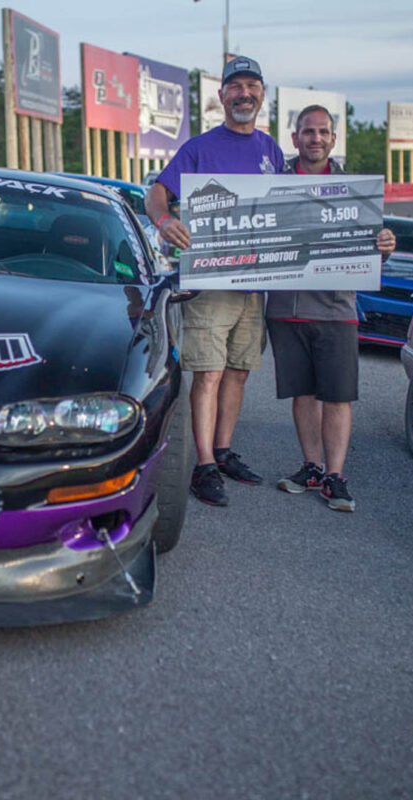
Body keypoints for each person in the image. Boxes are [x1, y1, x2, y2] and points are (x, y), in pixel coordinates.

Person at [145, 56, 284, 506]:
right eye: (236, 87)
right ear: (221, 96)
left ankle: (222, 450)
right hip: (210, 280)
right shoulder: (199, 148)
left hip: (253, 284)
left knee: (239, 371)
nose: (245, 94)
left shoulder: (271, 150)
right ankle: (202, 464)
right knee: (208, 374)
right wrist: (165, 220)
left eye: (252, 86)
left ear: (263, 94)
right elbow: (156, 194)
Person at [266, 105, 395, 512]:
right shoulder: (272, 185)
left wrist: (384, 248)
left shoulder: (356, 192)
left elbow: (371, 249)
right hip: (287, 309)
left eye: (323, 132)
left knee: (337, 396)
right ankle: (311, 467)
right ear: (295, 138)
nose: (315, 138)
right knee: (302, 394)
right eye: (308, 131)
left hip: (337, 309)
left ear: (333, 139)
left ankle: (335, 477)